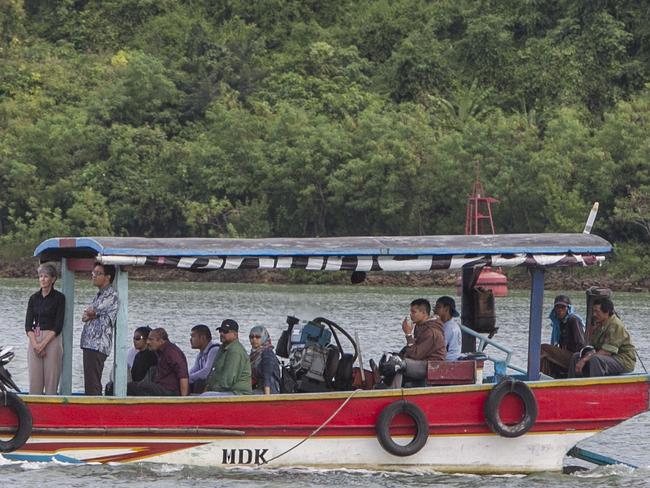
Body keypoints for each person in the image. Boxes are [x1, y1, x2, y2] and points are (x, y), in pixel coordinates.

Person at [568, 297, 636, 378]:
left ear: (606, 312)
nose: (594, 314)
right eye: (593, 311)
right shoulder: (600, 324)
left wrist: (584, 360)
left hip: (623, 360)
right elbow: (593, 347)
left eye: (597, 311)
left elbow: (607, 352)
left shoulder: (615, 325)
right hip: (608, 357)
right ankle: (572, 384)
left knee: (596, 359)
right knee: (576, 356)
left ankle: (596, 386)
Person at [24, 263, 65, 394]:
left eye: (46, 276)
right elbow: (28, 326)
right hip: (35, 338)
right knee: (34, 382)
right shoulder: (33, 298)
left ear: (53, 279)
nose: (42, 279)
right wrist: (36, 345)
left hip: (52, 339)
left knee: (51, 381)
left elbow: (58, 326)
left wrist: (43, 344)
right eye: (40, 276)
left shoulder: (59, 298)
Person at [80, 263, 119, 395]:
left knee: (93, 382)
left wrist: (91, 314)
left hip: (98, 345)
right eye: (93, 273)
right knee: (89, 382)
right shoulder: (99, 295)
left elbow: (91, 311)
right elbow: (85, 315)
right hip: (89, 344)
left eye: (98, 273)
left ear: (107, 277)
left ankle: (95, 410)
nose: (94, 276)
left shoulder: (111, 295)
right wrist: (91, 314)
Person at [127, 328, 189, 396]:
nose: (147, 342)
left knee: (132, 387)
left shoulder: (171, 352)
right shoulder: (158, 352)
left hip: (169, 390)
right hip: (160, 387)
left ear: (160, 340)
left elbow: (183, 375)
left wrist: (183, 399)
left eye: (151, 339)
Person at [540, 295, 586, 378]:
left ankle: (536, 377)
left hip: (575, 357)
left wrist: (581, 361)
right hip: (567, 355)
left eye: (563, 307)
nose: (560, 310)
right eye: (557, 307)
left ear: (568, 308)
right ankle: (542, 379)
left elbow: (581, 344)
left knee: (543, 348)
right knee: (545, 357)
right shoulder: (559, 323)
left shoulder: (573, 320)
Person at [204, 319, 252, 395]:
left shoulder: (235, 351)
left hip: (238, 393)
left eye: (225, 332)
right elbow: (214, 372)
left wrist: (211, 390)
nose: (222, 333)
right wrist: (207, 386)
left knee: (206, 396)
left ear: (235, 334)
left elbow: (227, 381)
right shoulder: (223, 347)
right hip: (225, 391)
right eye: (220, 331)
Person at [249, 326, 281, 395]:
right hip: (259, 388)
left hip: (270, 390)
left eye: (257, 337)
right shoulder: (254, 354)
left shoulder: (267, 353)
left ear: (264, 337)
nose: (254, 339)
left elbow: (267, 376)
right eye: (251, 337)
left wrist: (267, 398)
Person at [189, 324, 220, 393]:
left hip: (216, 387)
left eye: (193, 336)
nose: (190, 339)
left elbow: (206, 372)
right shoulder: (200, 354)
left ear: (203, 338)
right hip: (207, 386)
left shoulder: (214, 350)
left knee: (198, 382)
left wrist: (189, 378)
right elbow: (194, 370)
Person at [434, 296, 462, 360]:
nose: (435, 310)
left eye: (438, 307)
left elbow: (438, 348)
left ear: (446, 309)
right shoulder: (449, 325)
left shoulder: (449, 327)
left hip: (448, 359)